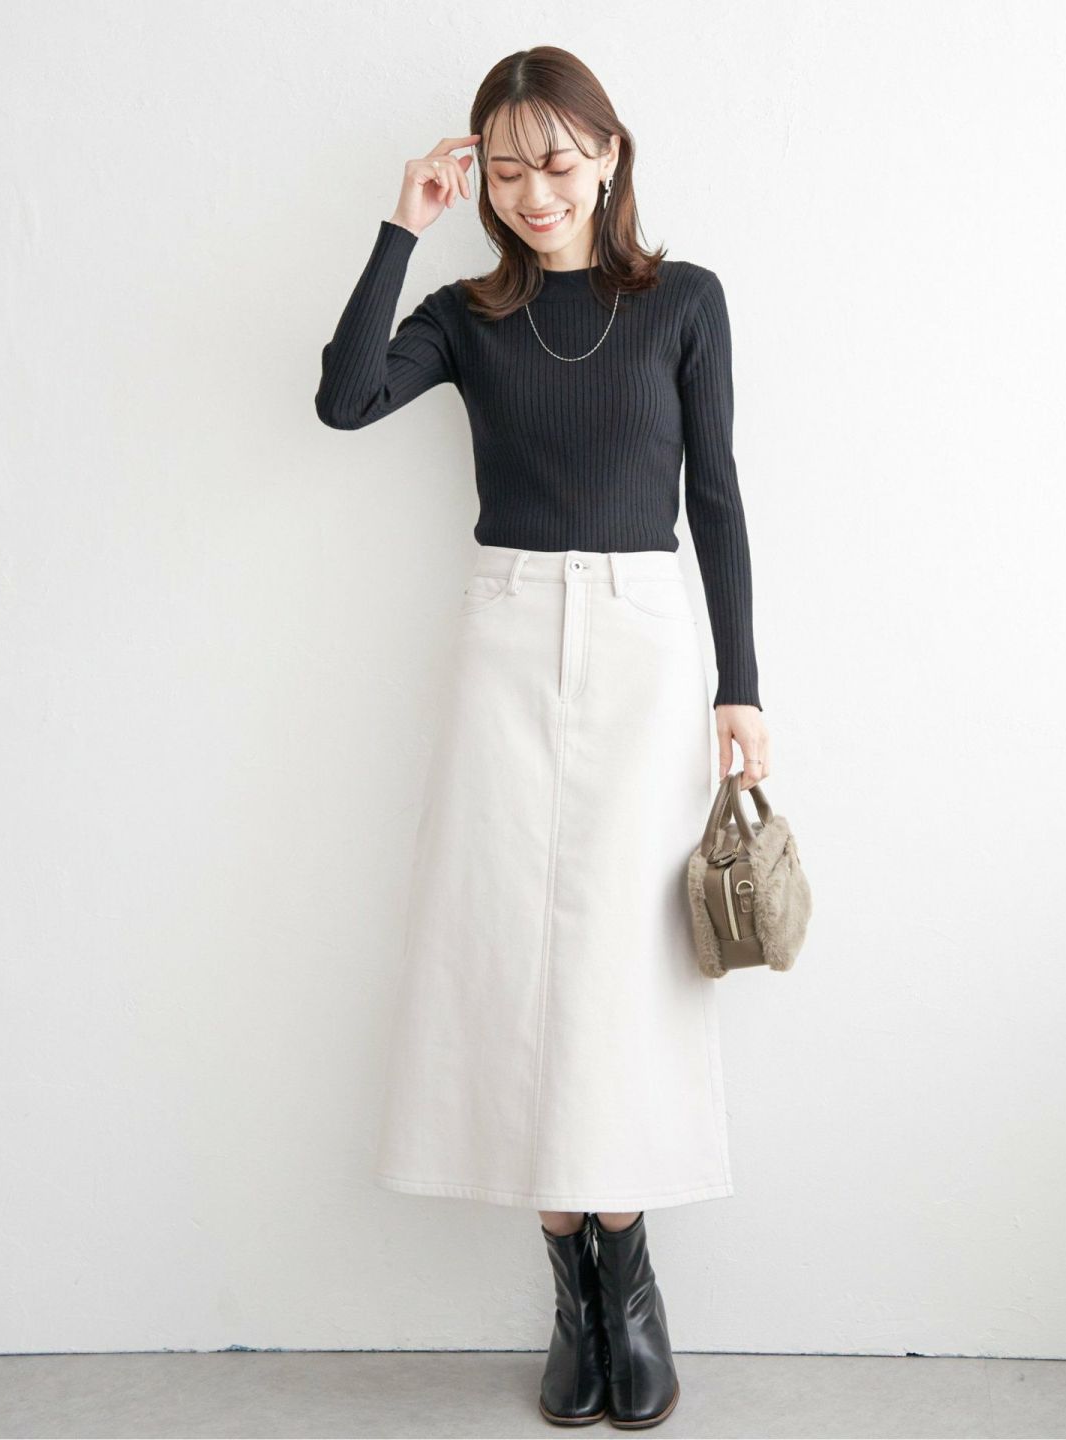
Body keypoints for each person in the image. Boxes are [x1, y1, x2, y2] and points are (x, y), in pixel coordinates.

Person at [315, 45, 771, 1432]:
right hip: (507, 633)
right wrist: (402, 225)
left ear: (609, 156)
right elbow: (343, 396)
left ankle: (626, 1277)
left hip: (644, 636)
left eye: (558, 163)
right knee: (513, 954)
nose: (533, 194)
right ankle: (575, 1294)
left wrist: (742, 689)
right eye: (506, 171)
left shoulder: (684, 300)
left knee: (621, 963)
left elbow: (717, 496)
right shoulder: (467, 316)